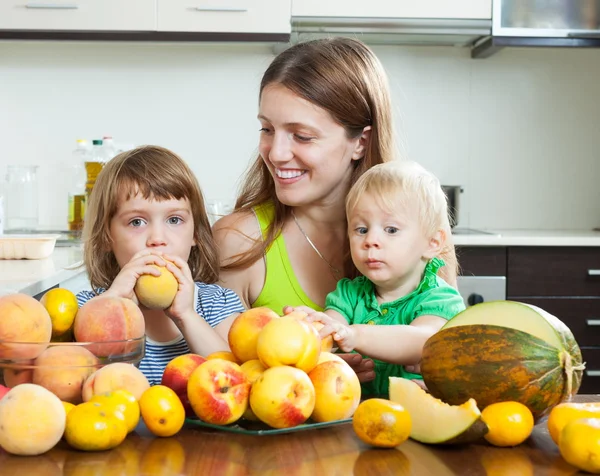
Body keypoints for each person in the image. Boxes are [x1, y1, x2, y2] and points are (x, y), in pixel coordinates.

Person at [213, 37, 458, 383]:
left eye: (302, 136)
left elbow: (445, 355)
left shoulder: (418, 235)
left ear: (360, 142)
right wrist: (317, 372)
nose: (276, 153)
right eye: (267, 129)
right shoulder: (239, 241)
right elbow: (220, 379)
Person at [293, 160, 466, 397]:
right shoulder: (348, 293)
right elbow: (330, 331)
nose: (370, 240)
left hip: (417, 421)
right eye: (361, 229)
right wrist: (310, 326)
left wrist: (355, 334)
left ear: (432, 243)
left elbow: (422, 342)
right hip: (354, 418)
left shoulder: (440, 298)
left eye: (391, 230)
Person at [77, 145, 244, 385]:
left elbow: (235, 380)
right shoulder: (88, 309)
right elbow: (79, 381)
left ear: (195, 232)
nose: (157, 238)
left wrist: (186, 315)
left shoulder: (216, 304)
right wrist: (113, 304)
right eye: (137, 222)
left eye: (174, 219)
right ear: (106, 237)